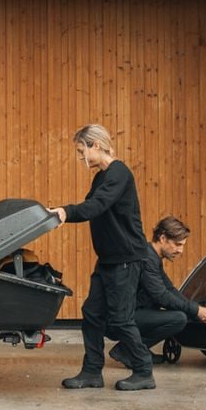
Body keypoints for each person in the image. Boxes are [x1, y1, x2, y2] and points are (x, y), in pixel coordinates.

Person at [49, 124, 155, 391]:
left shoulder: (119, 173)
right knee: (93, 314)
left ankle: (144, 371)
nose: (79, 156)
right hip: (108, 259)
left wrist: (66, 212)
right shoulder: (101, 177)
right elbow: (92, 208)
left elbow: (96, 206)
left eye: (80, 150)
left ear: (95, 145)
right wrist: (64, 213)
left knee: (121, 319)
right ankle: (92, 372)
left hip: (126, 259)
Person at [110, 216, 206, 367]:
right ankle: (128, 350)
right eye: (177, 244)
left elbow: (170, 289)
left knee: (182, 311)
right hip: (119, 318)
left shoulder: (151, 256)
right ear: (162, 238)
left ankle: (139, 350)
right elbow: (161, 296)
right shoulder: (147, 258)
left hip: (131, 312)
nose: (180, 250)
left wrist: (195, 309)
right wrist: (195, 310)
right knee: (178, 318)